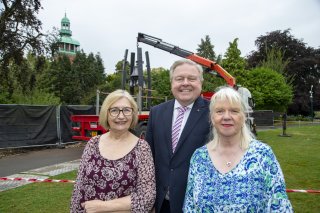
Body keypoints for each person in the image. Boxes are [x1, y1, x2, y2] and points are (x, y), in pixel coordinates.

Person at [183, 86, 293, 212]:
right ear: (212, 118)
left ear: (243, 117)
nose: (226, 116)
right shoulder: (199, 157)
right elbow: (190, 207)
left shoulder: (263, 155)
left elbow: (280, 206)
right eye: (219, 111)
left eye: (234, 111)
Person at [70, 89, 156, 213]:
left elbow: (146, 197)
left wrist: (101, 207)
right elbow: (78, 189)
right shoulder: (93, 143)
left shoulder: (142, 148)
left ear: (133, 114)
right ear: (106, 114)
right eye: (114, 110)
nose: (121, 116)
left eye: (126, 110)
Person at [146, 59, 211, 213]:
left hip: (197, 203)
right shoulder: (156, 112)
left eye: (192, 78)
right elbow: (149, 158)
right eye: (179, 79)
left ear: (201, 82)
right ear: (172, 83)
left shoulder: (214, 112)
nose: (185, 83)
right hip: (162, 203)